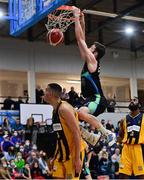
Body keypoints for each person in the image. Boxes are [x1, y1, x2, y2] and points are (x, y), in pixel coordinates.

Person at [73, 7, 115, 146]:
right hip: (90, 99)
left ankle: (107, 133)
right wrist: (81, 21)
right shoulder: (89, 60)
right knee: (74, 115)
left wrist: (74, 17)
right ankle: (90, 136)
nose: (88, 47)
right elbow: (82, 39)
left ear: (95, 53)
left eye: (91, 47)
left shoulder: (93, 61)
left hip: (97, 99)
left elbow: (80, 39)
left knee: (80, 113)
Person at [44, 83, 86, 179]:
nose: (43, 93)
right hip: (61, 154)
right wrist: (54, 157)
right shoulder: (55, 110)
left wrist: (77, 158)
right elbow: (60, 137)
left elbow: (76, 133)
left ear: (50, 93)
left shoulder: (64, 109)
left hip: (73, 153)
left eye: (45, 90)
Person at [118, 97, 144, 178]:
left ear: (139, 104)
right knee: (122, 175)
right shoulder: (124, 120)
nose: (132, 101)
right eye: (131, 100)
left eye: (134, 100)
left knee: (141, 175)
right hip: (126, 148)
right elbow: (121, 135)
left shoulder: (143, 117)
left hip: (139, 148)